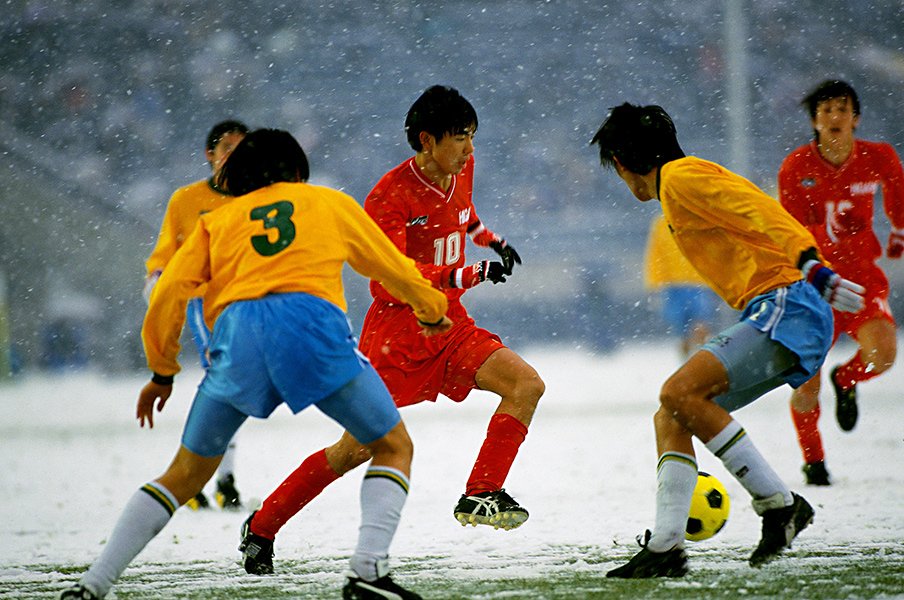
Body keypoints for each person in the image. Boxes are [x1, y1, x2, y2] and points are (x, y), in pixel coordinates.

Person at [60, 129, 451, 600]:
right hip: (310, 323)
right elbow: (391, 266)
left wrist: (161, 371)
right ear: (298, 170)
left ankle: (90, 586)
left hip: (238, 332)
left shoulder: (217, 221)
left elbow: (165, 295)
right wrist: (430, 309)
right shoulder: (327, 203)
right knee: (391, 445)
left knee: (183, 473)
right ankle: (367, 570)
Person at [238, 85, 545, 575]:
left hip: (449, 324)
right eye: (461, 138)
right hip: (397, 336)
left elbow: (464, 217)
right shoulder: (388, 195)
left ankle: (482, 492)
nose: (470, 149)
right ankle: (262, 526)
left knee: (526, 385)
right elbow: (389, 277)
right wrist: (470, 274)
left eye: (472, 137)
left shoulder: (460, 169)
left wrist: (493, 241)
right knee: (353, 451)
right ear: (427, 140)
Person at [590, 102, 865, 578]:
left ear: (621, 163)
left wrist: (809, 262)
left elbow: (759, 208)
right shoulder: (679, 183)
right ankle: (667, 547)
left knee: (678, 392)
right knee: (672, 414)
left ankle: (779, 504)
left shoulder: (679, 178)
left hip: (789, 302)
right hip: (781, 308)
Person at [778, 79, 904, 486]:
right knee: (805, 381)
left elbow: (897, 187)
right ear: (814, 121)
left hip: (863, 278)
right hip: (816, 285)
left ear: (856, 118)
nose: (835, 118)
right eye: (826, 111)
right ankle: (814, 461)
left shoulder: (877, 156)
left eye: (842, 110)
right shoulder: (796, 167)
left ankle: (847, 379)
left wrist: (899, 229)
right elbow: (791, 230)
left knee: (883, 355)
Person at [144, 119, 249, 510]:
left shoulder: (256, 199)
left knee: (231, 389)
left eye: (242, 148)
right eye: (227, 148)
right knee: (226, 383)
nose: (234, 155)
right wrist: (157, 281)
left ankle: (207, 477)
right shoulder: (186, 200)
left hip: (249, 304)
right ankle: (216, 478)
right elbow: (164, 255)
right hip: (206, 306)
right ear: (210, 154)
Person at [643, 213, 721, 358]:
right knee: (681, 331)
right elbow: (656, 254)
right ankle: (689, 364)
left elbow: (714, 248)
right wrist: (655, 283)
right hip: (673, 285)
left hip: (699, 282)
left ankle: (705, 359)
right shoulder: (661, 224)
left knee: (700, 324)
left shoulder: (699, 218)